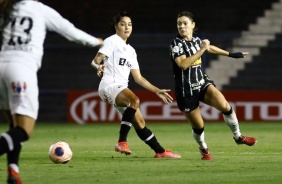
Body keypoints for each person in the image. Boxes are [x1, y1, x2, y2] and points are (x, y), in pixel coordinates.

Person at [0, 0, 103, 183]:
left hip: (1, 66)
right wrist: (96, 42)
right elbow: (70, 32)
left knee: (13, 126)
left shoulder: (6, 8)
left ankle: (13, 171)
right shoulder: (39, 9)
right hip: (21, 69)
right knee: (24, 130)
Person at [91, 11, 181, 159]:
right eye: (122, 24)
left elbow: (139, 79)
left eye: (129, 24)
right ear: (115, 26)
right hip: (109, 85)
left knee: (140, 122)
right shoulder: (112, 41)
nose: (127, 27)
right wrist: (98, 66)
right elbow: (96, 60)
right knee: (135, 100)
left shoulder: (131, 51)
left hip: (120, 89)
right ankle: (121, 142)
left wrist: (156, 90)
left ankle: (160, 151)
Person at [169, 11, 257, 160]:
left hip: (202, 84)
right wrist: (202, 49)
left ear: (193, 25)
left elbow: (210, 48)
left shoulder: (197, 40)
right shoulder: (176, 44)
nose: (181, 26)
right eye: (179, 24)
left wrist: (231, 54)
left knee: (225, 106)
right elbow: (183, 64)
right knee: (199, 127)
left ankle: (238, 136)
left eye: (185, 23)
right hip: (186, 91)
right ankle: (203, 148)